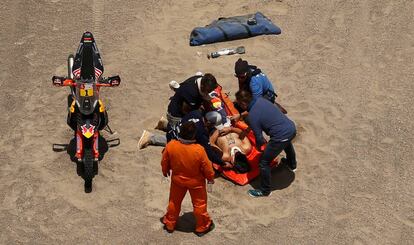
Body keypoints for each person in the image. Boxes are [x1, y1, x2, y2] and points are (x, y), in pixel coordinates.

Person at [235, 90, 297, 197]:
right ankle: (292, 164)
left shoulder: (252, 116)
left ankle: (265, 190)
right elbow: (260, 117)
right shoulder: (261, 100)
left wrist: (260, 149)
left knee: (263, 162)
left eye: (239, 103)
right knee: (286, 142)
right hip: (290, 128)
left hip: (280, 136)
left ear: (243, 103)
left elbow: (259, 138)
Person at [161, 121, 215, 236]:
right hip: (196, 182)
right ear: (193, 135)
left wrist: (165, 171)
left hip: (177, 180)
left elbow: (164, 161)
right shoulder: (199, 150)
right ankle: (202, 227)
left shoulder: (171, 145)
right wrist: (210, 178)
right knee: (199, 204)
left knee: (174, 202)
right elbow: (207, 167)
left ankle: (170, 223)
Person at [138, 109, 233, 169]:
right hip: (175, 137)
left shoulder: (196, 113)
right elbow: (209, 153)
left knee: (181, 129)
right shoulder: (200, 133)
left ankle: (164, 124)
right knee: (182, 144)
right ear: (208, 123)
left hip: (176, 127)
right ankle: (150, 137)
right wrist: (222, 163)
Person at [166, 73, 225, 142]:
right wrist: (202, 122)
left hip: (188, 106)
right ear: (202, 87)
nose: (210, 92)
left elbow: (205, 99)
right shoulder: (191, 93)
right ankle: (153, 138)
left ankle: (168, 126)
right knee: (187, 140)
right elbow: (187, 112)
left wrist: (210, 110)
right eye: (208, 91)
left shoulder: (201, 80)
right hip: (177, 115)